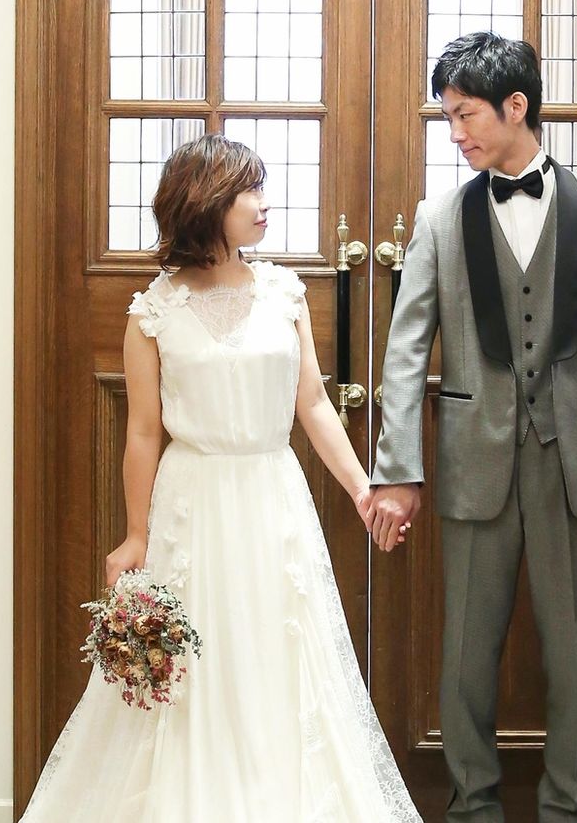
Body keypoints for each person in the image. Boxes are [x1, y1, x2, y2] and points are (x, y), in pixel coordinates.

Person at [22, 134, 420, 823]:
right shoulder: (153, 311)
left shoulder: (284, 293)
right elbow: (143, 432)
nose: (265, 203)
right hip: (192, 503)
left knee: (276, 653)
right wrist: (136, 534)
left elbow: (313, 404)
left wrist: (363, 489)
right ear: (206, 202)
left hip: (272, 496)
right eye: (249, 191)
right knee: (194, 667)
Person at [367, 32, 577, 823]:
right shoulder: (438, 219)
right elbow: (404, 353)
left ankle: (571, 807)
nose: (454, 134)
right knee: (466, 657)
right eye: (447, 118)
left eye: (464, 115)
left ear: (515, 105)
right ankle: (473, 808)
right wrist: (398, 470)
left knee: (575, 657)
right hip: (473, 465)